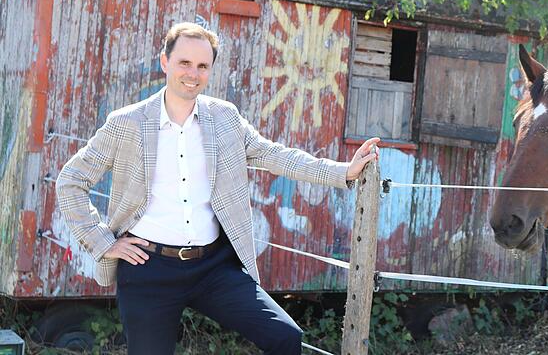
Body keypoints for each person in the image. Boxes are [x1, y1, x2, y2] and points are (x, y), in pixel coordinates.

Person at [56, 22, 380, 355]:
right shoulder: (127, 123)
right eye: (184, 63)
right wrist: (104, 243)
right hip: (147, 268)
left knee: (285, 337)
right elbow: (70, 181)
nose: (192, 73)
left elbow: (275, 155)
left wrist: (344, 171)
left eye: (202, 66)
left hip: (212, 267)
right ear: (165, 62)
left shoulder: (224, 118)